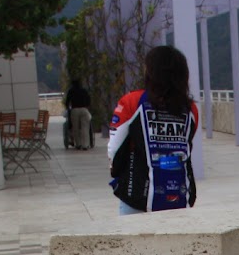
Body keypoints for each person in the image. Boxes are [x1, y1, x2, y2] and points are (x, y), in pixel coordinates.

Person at [108, 46, 198, 213]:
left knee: (134, 239)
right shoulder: (190, 109)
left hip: (137, 196)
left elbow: (114, 149)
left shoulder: (132, 102)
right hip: (180, 194)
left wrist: (117, 174)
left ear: (151, 72)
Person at [64, 78, 92, 150]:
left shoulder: (71, 91)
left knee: (75, 128)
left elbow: (67, 102)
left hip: (75, 109)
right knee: (85, 128)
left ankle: (78, 144)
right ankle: (85, 145)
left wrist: (68, 108)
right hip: (84, 109)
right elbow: (89, 100)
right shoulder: (84, 90)